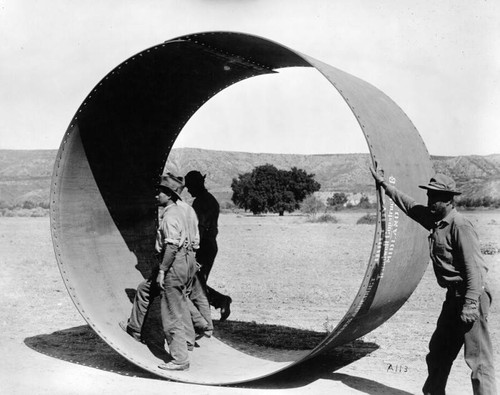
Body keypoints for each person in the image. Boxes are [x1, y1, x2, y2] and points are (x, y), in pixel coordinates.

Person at [370, 167, 497, 395]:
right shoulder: (436, 221)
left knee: (478, 361)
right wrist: (385, 186)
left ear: (448, 200)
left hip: (472, 295)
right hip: (454, 297)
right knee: (438, 352)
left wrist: (469, 305)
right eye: (429, 195)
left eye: (434, 197)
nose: (429, 201)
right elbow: (410, 206)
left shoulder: (460, 226)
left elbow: (475, 271)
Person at [119, 173, 210, 371]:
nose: (156, 195)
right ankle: (138, 329)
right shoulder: (183, 211)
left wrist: (162, 270)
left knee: (171, 312)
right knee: (156, 292)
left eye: (160, 191)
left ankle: (180, 359)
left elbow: (171, 247)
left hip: (174, 264)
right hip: (187, 261)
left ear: (169, 194)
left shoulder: (170, 216)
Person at [184, 170, 232, 321]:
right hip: (208, 246)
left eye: (190, 186)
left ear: (197, 184)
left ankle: (206, 314)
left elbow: (200, 228)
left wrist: (193, 251)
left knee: (195, 283)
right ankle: (218, 302)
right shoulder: (208, 199)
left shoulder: (201, 202)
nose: (188, 189)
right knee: (196, 282)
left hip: (203, 247)